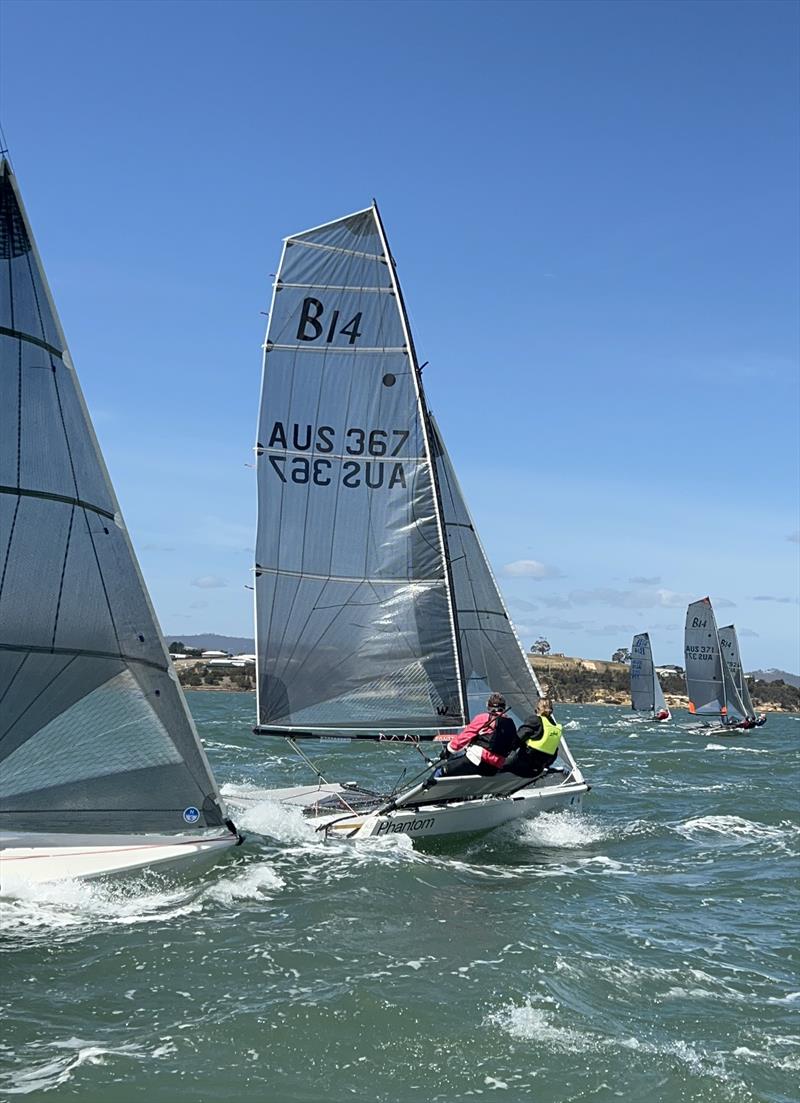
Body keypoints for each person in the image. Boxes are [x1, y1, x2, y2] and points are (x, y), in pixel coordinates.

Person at [437, 693, 518, 778]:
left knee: (440, 770)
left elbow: (464, 737)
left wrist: (448, 750)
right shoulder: (511, 723)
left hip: (476, 761)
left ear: (488, 706)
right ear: (504, 707)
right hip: (494, 767)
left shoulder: (485, 718)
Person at [504, 697, 562, 778]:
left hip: (522, 768)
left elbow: (517, 739)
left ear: (537, 709)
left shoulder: (535, 720)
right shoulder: (555, 727)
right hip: (538, 771)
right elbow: (554, 753)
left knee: (497, 763)